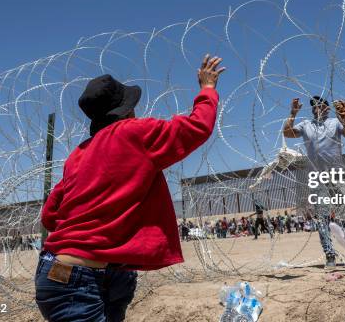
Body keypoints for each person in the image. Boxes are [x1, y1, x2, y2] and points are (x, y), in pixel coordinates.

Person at [36, 55, 225, 321]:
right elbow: (196, 127)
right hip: (85, 279)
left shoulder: (78, 155)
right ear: (127, 110)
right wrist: (207, 89)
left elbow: (49, 217)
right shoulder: (134, 132)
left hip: (60, 271)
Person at [283, 95, 345, 267]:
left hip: (338, 176)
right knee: (323, 217)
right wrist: (293, 113)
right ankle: (329, 254)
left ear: (327, 108)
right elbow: (287, 133)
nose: (316, 108)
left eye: (320, 105)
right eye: (313, 106)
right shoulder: (306, 125)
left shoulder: (335, 122)